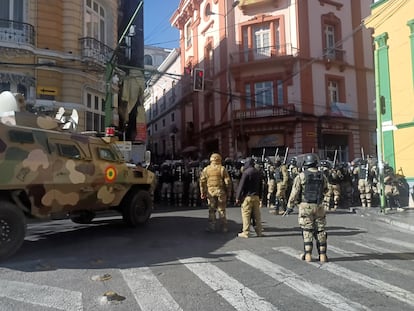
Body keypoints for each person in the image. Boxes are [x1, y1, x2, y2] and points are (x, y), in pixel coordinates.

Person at [286, 153, 329, 263]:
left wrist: (289, 206)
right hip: (319, 205)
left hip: (305, 206)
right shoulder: (322, 176)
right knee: (320, 230)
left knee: (307, 230)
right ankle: (323, 255)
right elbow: (326, 190)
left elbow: (294, 192)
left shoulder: (301, 176)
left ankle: (308, 254)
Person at [199, 153, 232, 233]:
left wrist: (202, 192)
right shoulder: (222, 169)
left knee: (211, 210)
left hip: (210, 191)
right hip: (220, 191)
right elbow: (227, 182)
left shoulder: (206, 169)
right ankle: (224, 227)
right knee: (222, 209)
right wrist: (229, 191)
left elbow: (202, 181)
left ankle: (211, 226)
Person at [235, 158, 264, 238]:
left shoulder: (246, 173)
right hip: (256, 197)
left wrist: (237, 197)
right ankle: (259, 232)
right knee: (257, 215)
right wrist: (260, 197)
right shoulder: (258, 172)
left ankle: (246, 232)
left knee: (246, 215)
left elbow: (241, 185)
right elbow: (261, 186)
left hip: (248, 197)